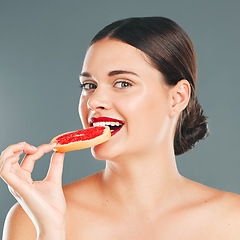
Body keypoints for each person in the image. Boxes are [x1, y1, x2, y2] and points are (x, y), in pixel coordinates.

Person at [1, 16, 240, 240]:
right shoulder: (30, 218)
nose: (94, 102)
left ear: (177, 97)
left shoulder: (233, 220)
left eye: (123, 83)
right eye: (89, 85)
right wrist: (50, 229)